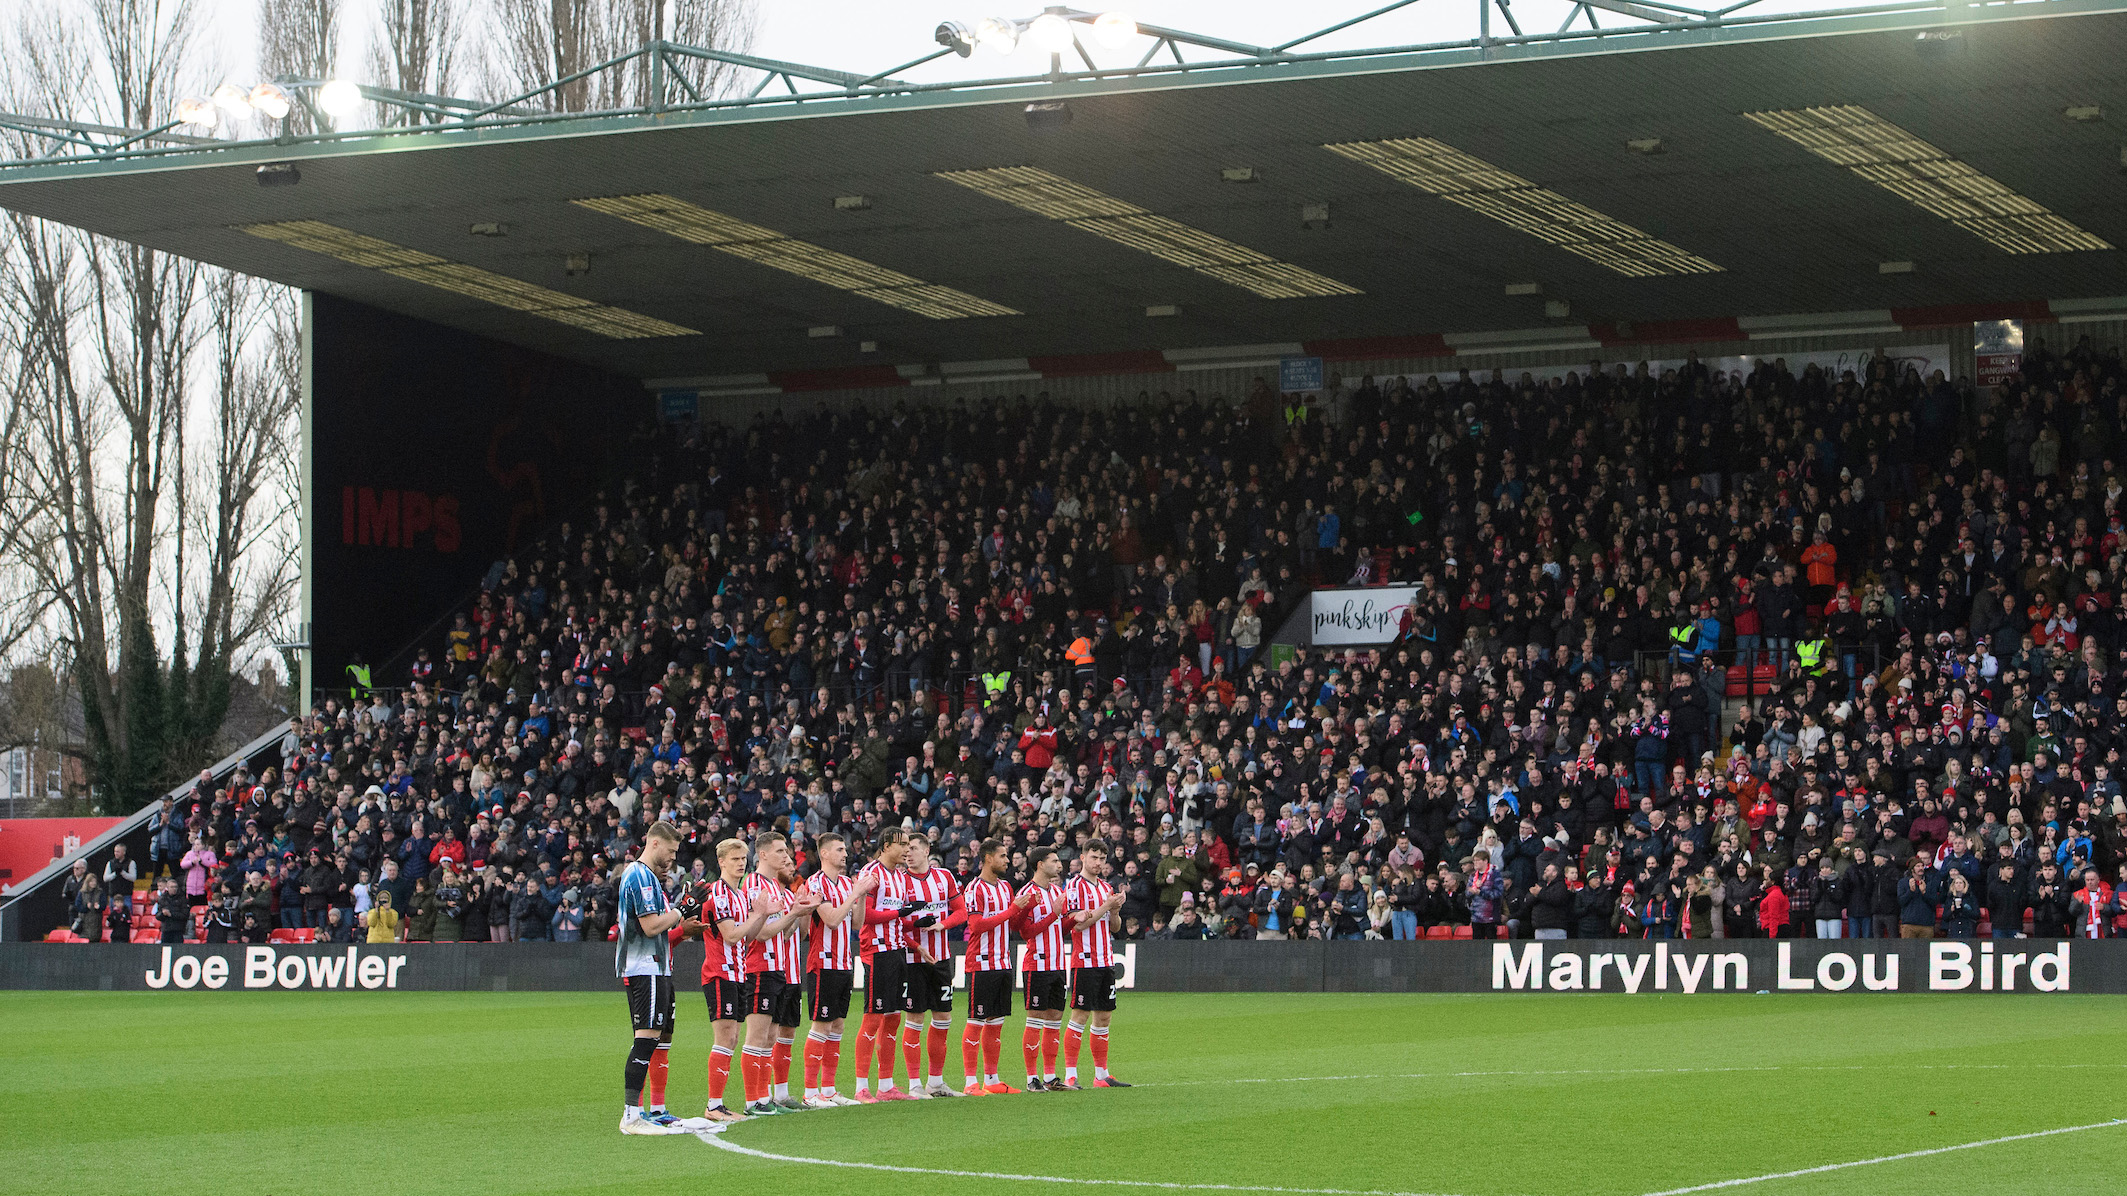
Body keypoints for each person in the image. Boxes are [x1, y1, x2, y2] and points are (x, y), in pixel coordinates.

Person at [615, 820, 690, 1136]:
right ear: (655, 843)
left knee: (653, 1040)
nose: (672, 858)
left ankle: (647, 1112)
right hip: (644, 966)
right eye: (671, 851)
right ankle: (631, 1116)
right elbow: (650, 926)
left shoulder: (649, 878)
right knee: (645, 1041)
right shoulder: (640, 875)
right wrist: (681, 910)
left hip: (656, 967)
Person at [739, 832, 820, 1116]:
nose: (786, 856)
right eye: (780, 851)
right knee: (757, 1037)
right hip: (758, 967)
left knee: (770, 1038)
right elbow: (760, 934)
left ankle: (765, 1098)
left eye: (786, 851)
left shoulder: (774, 887)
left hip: (777, 968)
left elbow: (783, 933)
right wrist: (793, 913)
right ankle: (754, 1101)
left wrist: (799, 912)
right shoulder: (753, 884)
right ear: (763, 855)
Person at [948, 837, 1035, 1095]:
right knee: (976, 1021)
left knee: (996, 1023)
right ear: (988, 858)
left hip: (1003, 962)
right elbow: (975, 926)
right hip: (981, 962)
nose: (1007, 860)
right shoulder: (975, 888)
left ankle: (992, 1079)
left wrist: (1025, 908)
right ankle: (970, 1082)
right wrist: (1012, 910)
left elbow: (1009, 922)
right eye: (1003, 856)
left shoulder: (1006, 887)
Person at [695, 836, 771, 1123]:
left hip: (738, 974)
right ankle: (713, 1105)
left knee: (734, 1037)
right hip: (719, 973)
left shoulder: (739, 896)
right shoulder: (718, 894)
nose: (741, 864)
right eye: (735, 859)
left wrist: (762, 917)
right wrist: (758, 914)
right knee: (725, 1037)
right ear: (722, 862)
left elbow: (749, 936)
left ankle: (719, 1104)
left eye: (744, 859)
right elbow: (731, 935)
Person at [800, 832, 875, 1109]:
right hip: (823, 963)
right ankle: (810, 1093)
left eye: (845, 849)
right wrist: (855, 893)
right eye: (840, 850)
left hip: (844, 962)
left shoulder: (844, 883)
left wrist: (862, 897)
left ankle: (829, 1090)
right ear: (825, 854)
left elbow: (856, 924)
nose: (845, 854)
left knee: (838, 1025)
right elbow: (830, 920)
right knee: (821, 1025)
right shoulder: (816, 883)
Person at [897, 834, 965, 1098]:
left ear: (927, 850)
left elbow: (961, 911)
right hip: (913, 959)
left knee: (943, 1018)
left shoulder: (944, 877)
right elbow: (895, 924)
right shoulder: (900, 881)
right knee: (915, 1018)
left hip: (941, 958)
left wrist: (943, 925)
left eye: (913, 848)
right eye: (906, 849)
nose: (908, 853)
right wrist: (916, 945)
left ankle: (935, 1082)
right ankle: (915, 1084)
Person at [1060, 839, 1130, 1089]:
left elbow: (1115, 927)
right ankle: (1070, 1074)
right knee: (1079, 1015)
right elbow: (1077, 924)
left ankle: (1101, 1075)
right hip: (1085, 961)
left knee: (1104, 1018)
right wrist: (1105, 906)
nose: (1098, 863)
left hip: (1106, 960)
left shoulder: (1104, 886)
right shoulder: (1075, 887)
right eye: (1094, 857)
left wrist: (1114, 912)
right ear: (1083, 857)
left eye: (1102, 858)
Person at [853, 827, 915, 1102]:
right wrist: (897, 913)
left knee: (893, 1017)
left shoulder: (901, 878)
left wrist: (913, 921)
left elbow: (894, 918)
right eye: (902, 845)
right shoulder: (870, 874)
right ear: (887, 846)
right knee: (873, 1018)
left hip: (897, 950)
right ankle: (861, 1086)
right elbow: (865, 916)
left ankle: (886, 1085)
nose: (907, 850)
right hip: (876, 953)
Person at [1014, 845, 1072, 1091]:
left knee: (1055, 1020)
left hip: (1059, 964)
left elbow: (1059, 928)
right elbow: (1024, 932)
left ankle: (1050, 1077)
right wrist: (1053, 915)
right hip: (1037, 964)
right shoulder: (1027, 893)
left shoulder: (1057, 891)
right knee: (1035, 1019)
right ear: (1040, 864)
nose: (1058, 865)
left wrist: (1072, 920)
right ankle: (1031, 1078)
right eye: (1054, 861)